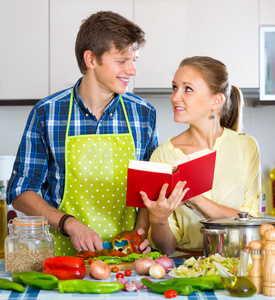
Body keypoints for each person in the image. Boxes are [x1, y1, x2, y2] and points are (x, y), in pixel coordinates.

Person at [6, 11, 158, 256]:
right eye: (122, 61)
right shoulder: (47, 113)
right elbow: (21, 190)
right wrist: (69, 223)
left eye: (134, 60)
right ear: (91, 60)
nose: (132, 70)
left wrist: (138, 236)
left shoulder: (143, 115)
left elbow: (151, 192)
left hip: (127, 259)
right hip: (61, 260)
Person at [138, 56, 262, 257]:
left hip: (237, 264)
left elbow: (250, 222)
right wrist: (158, 220)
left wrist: (196, 199)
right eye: (174, 87)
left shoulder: (246, 146)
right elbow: (166, 247)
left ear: (216, 101)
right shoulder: (163, 155)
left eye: (187, 89)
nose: (175, 97)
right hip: (182, 268)